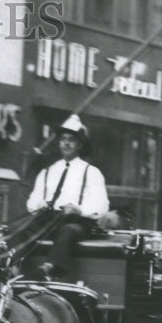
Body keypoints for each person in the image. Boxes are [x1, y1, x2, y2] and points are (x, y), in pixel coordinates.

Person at [25, 114, 110, 280]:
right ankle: (12, 265)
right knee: (25, 229)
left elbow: (101, 205)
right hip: (49, 220)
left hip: (77, 223)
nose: (66, 143)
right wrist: (39, 205)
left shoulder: (91, 172)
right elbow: (32, 200)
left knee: (68, 230)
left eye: (71, 139)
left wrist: (79, 210)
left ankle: (48, 268)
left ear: (79, 144)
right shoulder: (47, 172)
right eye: (63, 139)